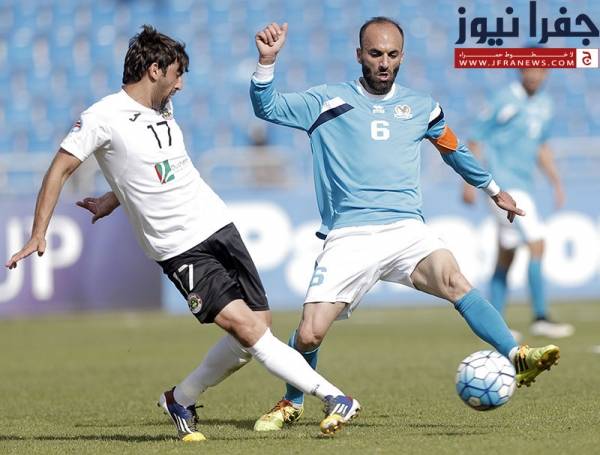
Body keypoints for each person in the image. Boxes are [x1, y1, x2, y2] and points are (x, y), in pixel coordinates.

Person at [5, 25, 360, 440]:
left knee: (257, 326)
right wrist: (38, 233)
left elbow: (153, 167)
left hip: (217, 224)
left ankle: (181, 398)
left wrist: (111, 199)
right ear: (154, 70)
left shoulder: (163, 108)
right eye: (177, 74)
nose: (181, 84)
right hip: (179, 246)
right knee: (249, 330)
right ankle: (333, 396)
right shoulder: (102, 117)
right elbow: (59, 169)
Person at [248, 18, 561, 432]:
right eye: (375, 54)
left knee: (454, 280)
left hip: (406, 229)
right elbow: (267, 107)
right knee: (309, 335)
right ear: (359, 55)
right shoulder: (326, 101)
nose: (384, 62)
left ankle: (516, 354)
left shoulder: (421, 106)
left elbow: (453, 148)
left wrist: (492, 188)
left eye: (392, 55)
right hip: (351, 234)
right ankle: (293, 400)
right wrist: (267, 62)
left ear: (402, 57)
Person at [463, 67, 574, 340]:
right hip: (502, 187)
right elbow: (476, 137)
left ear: (547, 73)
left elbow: (541, 146)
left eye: (540, 70)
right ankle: (540, 317)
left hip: (524, 186)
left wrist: (556, 181)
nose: (534, 75)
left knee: (507, 253)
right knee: (537, 242)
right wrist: (468, 182)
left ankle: (495, 322)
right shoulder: (503, 99)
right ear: (520, 71)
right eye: (529, 69)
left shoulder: (545, 104)